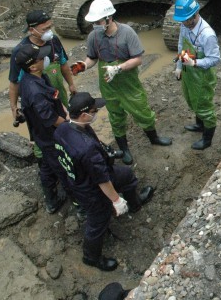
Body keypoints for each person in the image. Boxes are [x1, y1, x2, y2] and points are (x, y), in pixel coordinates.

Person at [54, 92, 155, 272]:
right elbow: (103, 181)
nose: (96, 113)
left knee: (127, 176)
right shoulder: (87, 149)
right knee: (98, 220)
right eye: (94, 111)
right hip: (90, 188)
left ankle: (135, 203)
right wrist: (116, 200)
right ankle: (91, 257)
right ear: (84, 114)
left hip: (77, 179)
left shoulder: (63, 129)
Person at [70, 0, 171, 165]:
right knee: (115, 116)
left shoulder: (127, 33)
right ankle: (124, 149)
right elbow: (92, 58)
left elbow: (138, 59)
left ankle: (154, 138)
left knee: (141, 110)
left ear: (109, 18)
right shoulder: (93, 36)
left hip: (128, 81)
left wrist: (118, 68)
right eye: (94, 22)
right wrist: (83, 65)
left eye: (98, 21)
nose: (95, 25)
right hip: (108, 83)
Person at [9, 10, 77, 185]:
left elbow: (63, 64)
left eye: (50, 26)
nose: (49, 31)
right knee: (44, 137)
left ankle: (66, 158)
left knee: (62, 130)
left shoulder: (53, 41)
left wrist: (70, 84)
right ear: (32, 30)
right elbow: (14, 82)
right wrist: (13, 107)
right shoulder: (21, 52)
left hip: (55, 93)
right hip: (37, 99)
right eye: (45, 28)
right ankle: (49, 173)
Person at [16, 43, 70, 213]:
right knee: (63, 168)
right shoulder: (34, 91)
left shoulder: (38, 77)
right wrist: (71, 124)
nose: (46, 58)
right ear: (32, 66)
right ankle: (78, 202)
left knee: (46, 166)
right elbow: (50, 118)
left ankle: (51, 201)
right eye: (41, 58)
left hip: (43, 135)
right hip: (50, 137)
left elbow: (54, 96)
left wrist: (64, 109)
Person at [173, 0, 221, 150]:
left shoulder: (207, 34)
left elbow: (214, 59)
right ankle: (199, 125)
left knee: (203, 105)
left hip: (202, 75)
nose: (184, 23)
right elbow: (182, 45)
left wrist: (194, 63)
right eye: (182, 20)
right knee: (191, 99)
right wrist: (180, 66)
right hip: (188, 72)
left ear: (195, 14)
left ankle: (207, 139)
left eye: (186, 19)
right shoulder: (184, 26)